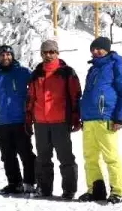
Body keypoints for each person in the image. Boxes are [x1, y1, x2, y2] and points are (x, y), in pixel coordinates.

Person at [78, 36, 122, 203]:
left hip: (106, 118)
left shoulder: (117, 65)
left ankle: (120, 191)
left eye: (99, 48)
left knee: (111, 156)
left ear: (107, 49)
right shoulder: (93, 68)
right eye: (93, 49)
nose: (95, 51)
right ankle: (95, 189)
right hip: (89, 119)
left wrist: (119, 117)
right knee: (90, 157)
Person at [25, 39, 81, 199]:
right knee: (42, 158)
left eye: (52, 52)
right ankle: (44, 189)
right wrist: (29, 119)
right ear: (41, 54)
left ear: (57, 53)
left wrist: (76, 118)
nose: (48, 55)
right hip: (41, 123)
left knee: (65, 157)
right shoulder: (36, 73)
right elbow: (30, 99)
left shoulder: (67, 72)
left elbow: (76, 96)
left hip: (61, 122)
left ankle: (69, 190)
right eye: (45, 52)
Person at [0, 45, 37, 195]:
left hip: (20, 120)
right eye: (2, 55)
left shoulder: (23, 72)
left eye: (8, 55)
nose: (5, 58)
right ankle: (14, 183)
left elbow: (36, 88)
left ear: (12, 56)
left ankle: (30, 182)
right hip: (2, 122)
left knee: (26, 153)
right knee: (8, 155)